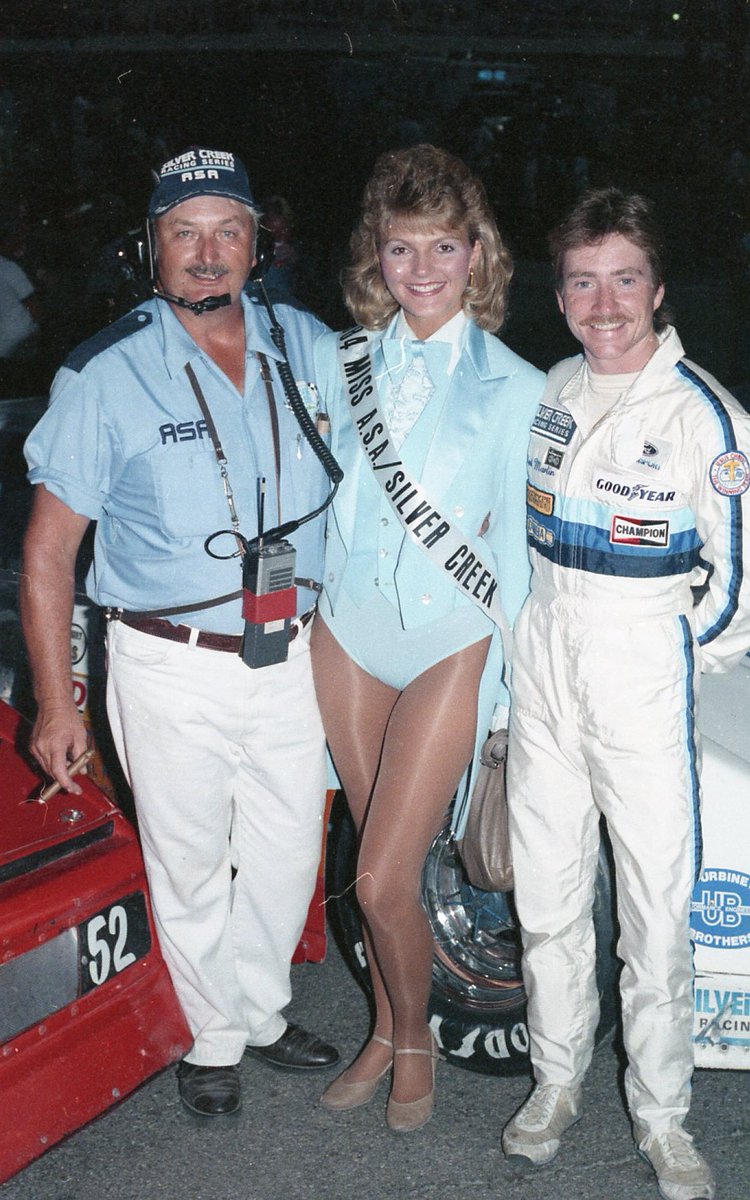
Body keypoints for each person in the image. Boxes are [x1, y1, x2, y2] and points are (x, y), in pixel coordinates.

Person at [20, 147, 340, 1118]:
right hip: (167, 661)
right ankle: (215, 1036)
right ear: (151, 248)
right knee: (190, 857)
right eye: (185, 233)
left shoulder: (308, 342)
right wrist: (52, 697)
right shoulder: (104, 372)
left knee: (289, 850)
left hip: (294, 653)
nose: (208, 253)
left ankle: (258, 1005)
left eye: (227, 231)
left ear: (258, 242)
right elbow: (46, 554)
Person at [503, 187, 750, 1200]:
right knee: (548, 896)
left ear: (657, 286)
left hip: (640, 671)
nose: (604, 303)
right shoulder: (554, 387)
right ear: (559, 295)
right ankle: (556, 1081)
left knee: (654, 913)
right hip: (545, 664)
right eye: (582, 281)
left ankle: (663, 1118)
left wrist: (656, 655)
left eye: (625, 279)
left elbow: (736, 591)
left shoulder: (709, 415)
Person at [310, 144, 544, 1132]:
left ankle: (414, 1045)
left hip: (451, 639)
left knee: (378, 875)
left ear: (476, 253)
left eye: (441, 248)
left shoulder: (520, 385)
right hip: (347, 631)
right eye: (401, 249)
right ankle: (388, 1025)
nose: (420, 270)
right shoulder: (339, 359)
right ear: (378, 253)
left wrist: (503, 701)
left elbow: (520, 561)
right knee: (379, 867)